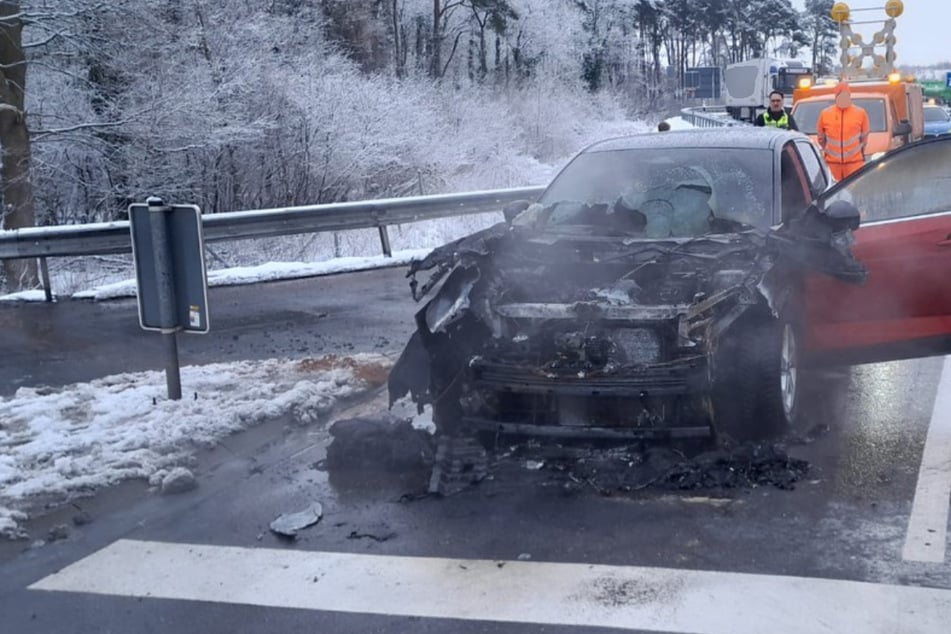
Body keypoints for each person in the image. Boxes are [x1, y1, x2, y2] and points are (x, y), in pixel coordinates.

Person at [816, 82, 870, 180]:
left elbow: (864, 137)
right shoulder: (825, 113)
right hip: (833, 164)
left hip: (854, 164)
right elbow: (821, 137)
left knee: (852, 189)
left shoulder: (860, 113)